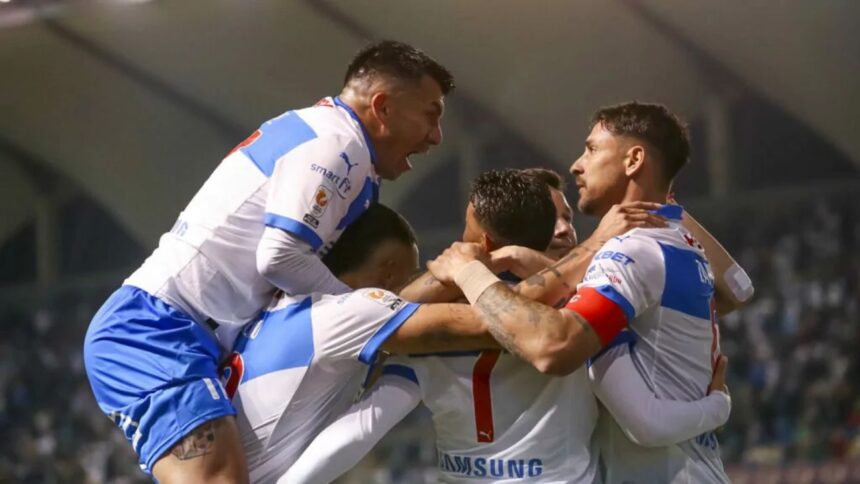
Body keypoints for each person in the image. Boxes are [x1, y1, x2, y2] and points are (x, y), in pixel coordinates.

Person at [82, 40, 453, 483]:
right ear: (383, 106)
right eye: (431, 115)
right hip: (158, 328)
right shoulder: (337, 144)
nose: (436, 136)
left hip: (193, 332)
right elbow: (279, 257)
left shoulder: (336, 142)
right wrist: (359, 310)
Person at [284, 168, 730, 483]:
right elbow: (647, 422)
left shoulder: (430, 328)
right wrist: (717, 405)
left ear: (483, 242)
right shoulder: (580, 317)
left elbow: (360, 428)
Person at [427, 102, 754, 483]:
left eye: (592, 149)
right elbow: (739, 289)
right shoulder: (684, 246)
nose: (576, 165)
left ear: (633, 160)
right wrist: (664, 204)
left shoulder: (628, 252)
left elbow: (556, 346)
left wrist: (718, 407)